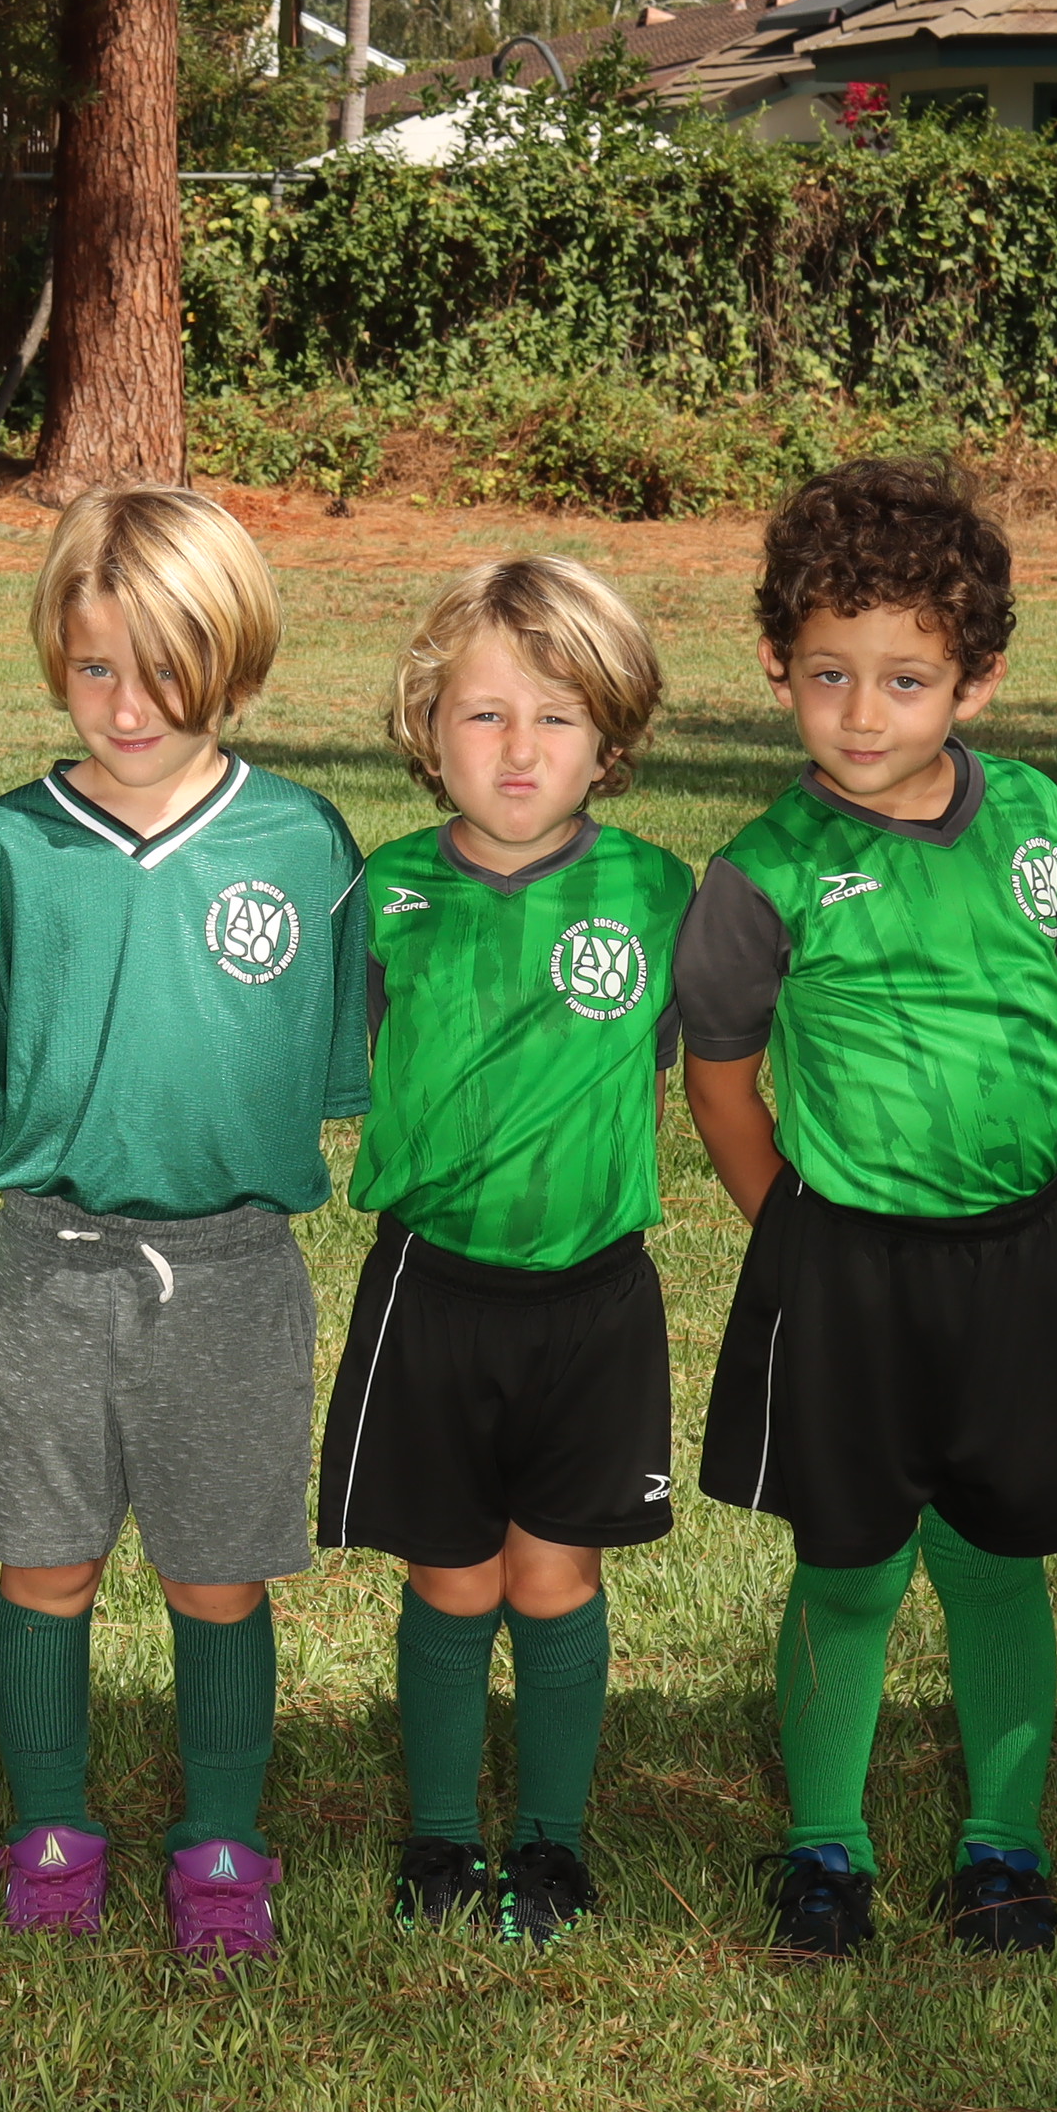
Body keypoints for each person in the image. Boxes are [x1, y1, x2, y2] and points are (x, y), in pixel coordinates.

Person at [679, 461, 1057, 1961]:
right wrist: (798, 1240)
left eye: (906, 680)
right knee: (854, 1561)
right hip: (851, 1270)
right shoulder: (762, 876)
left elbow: (1022, 987)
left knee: (998, 1555)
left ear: (976, 681)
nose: (862, 714)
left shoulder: (1037, 815)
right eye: (829, 675)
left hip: (1026, 1262)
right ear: (778, 666)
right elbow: (723, 1083)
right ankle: (825, 1851)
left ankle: (1005, 1850)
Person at [0, 486, 369, 1962]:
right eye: (94, 668)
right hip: (46, 1265)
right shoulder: (8, 848)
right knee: (44, 1564)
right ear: (55, 658)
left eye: (166, 671)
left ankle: (223, 1844)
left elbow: (332, 1067)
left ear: (233, 660)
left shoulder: (302, 843)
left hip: (232, 1270)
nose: (127, 707)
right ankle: (51, 1829)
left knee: (215, 1573)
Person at [315, 557, 691, 1945]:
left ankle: (549, 1847)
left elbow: (675, 1059)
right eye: (484, 715)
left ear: (609, 738)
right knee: (451, 1576)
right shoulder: (388, 892)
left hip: (594, 1300)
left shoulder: (660, 893)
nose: (520, 749)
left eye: (556, 716)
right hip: (433, 1291)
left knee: (555, 1577)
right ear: (429, 729)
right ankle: (437, 1841)